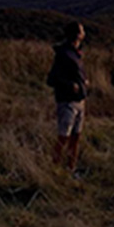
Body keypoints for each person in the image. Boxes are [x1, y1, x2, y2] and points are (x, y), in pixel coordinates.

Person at [47, 21, 88, 175]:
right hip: (67, 103)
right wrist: (70, 85)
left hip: (80, 102)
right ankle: (54, 170)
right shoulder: (63, 54)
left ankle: (72, 168)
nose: (84, 33)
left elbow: (75, 73)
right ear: (77, 35)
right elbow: (51, 79)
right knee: (63, 138)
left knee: (76, 137)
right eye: (82, 30)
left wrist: (83, 81)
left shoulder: (77, 53)